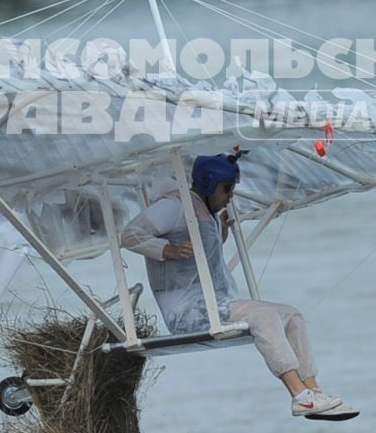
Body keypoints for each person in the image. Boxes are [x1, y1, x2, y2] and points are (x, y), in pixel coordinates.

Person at [119, 151, 356, 419]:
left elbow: (201, 258)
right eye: (227, 189)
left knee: (293, 315)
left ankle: (313, 390)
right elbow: (129, 235)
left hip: (216, 302)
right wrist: (166, 250)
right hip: (189, 312)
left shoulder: (203, 210)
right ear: (208, 184)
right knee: (264, 316)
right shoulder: (173, 206)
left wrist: (220, 234)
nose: (230, 196)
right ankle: (299, 396)